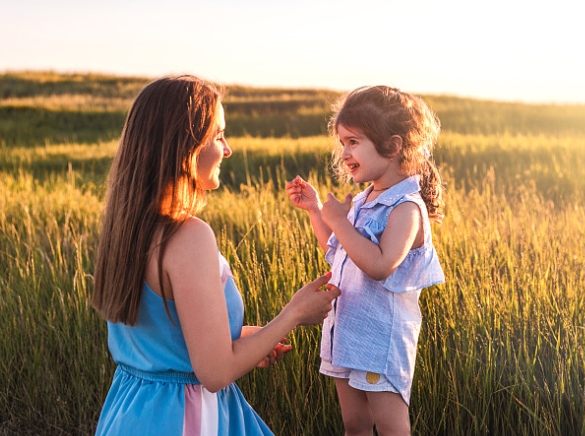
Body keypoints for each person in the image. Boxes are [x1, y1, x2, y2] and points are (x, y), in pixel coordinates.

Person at [92, 75, 340, 436]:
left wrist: (248, 339)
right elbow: (215, 373)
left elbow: (166, 335)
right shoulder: (189, 236)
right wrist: (295, 313)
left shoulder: (128, 227)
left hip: (130, 409)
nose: (227, 149)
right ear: (185, 146)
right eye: (218, 135)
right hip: (184, 419)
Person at [285, 85, 445, 435]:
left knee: (391, 428)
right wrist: (316, 212)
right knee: (354, 424)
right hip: (347, 332)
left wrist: (339, 220)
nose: (344, 153)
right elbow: (340, 250)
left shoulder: (406, 208)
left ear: (393, 145)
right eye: (342, 143)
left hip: (380, 341)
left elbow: (379, 265)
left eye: (353, 142)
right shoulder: (363, 199)